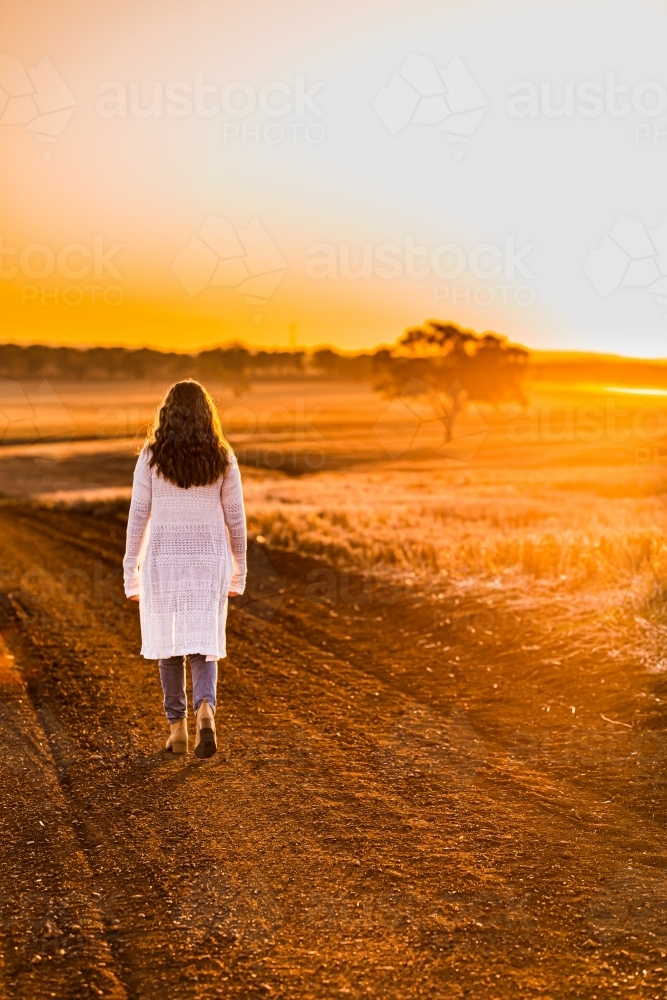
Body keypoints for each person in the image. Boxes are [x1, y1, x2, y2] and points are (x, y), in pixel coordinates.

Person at [123, 379, 246, 759]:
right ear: (207, 413)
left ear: (168, 413)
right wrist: (238, 568)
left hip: (163, 559)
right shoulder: (222, 456)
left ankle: (177, 729)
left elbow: (138, 517)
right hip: (209, 559)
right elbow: (236, 521)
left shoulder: (151, 455)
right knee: (203, 644)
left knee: (169, 644)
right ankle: (205, 711)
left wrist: (131, 569)